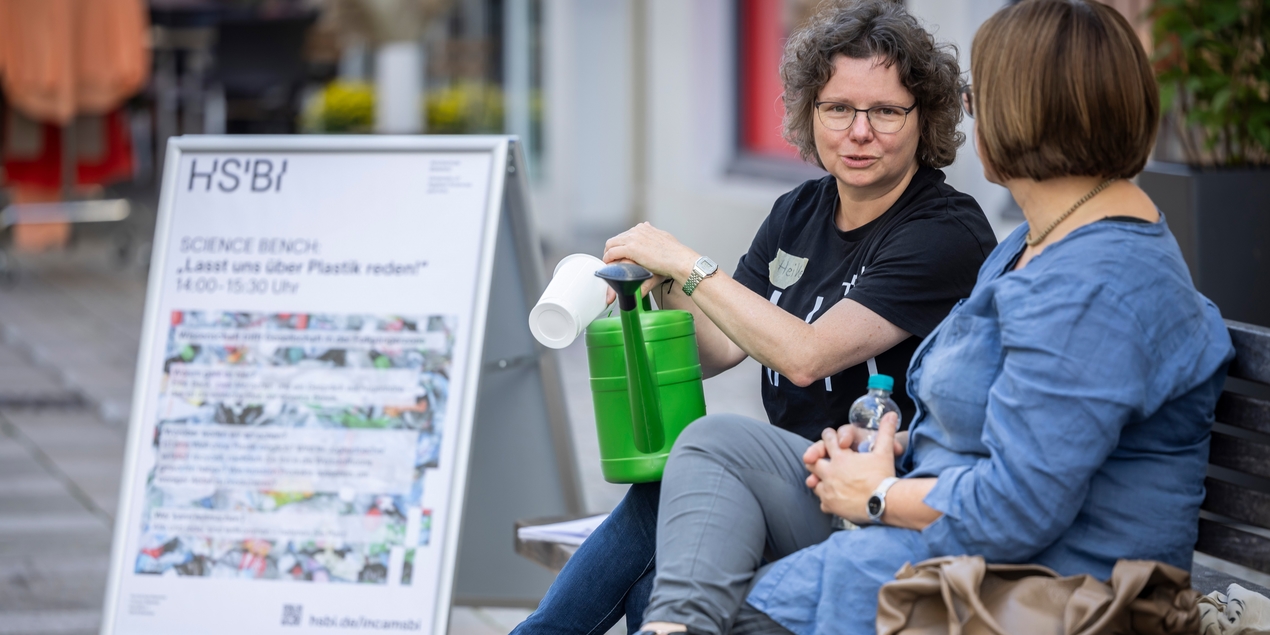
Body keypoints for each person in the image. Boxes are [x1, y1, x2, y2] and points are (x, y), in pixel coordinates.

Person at [631, 1, 1237, 634]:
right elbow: (1010, 430)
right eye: (838, 108)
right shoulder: (1037, 243)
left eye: (983, 96)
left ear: (1023, 113)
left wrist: (876, 492)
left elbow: (1018, 508)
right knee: (714, 450)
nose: (971, 114)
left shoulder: (1094, 285)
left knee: (733, 608)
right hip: (949, 535)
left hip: (1030, 585)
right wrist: (889, 445)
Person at [512, 2, 996, 634]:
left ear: (924, 118)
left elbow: (805, 357)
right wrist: (664, 282)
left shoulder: (943, 231)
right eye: (839, 108)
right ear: (810, 112)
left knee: (692, 472)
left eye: (885, 111)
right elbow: (718, 349)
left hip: (873, 497)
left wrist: (688, 262)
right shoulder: (799, 210)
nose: (859, 131)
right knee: (660, 556)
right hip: (786, 482)